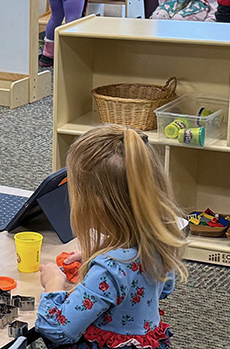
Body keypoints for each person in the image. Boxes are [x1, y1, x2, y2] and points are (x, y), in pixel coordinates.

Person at [35, 125, 187, 349]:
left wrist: (53, 284)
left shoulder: (109, 269)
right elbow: (164, 289)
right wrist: (100, 254)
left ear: (96, 206)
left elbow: (58, 330)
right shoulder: (158, 242)